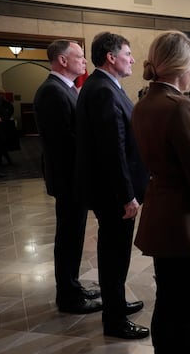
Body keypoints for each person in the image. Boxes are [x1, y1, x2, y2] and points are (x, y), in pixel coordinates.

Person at [131, 31, 190, 354]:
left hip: (160, 213)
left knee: (167, 303)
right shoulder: (179, 107)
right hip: (186, 222)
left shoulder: (144, 103)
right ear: (181, 66)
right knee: (186, 314)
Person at [75, 32, 149, 339]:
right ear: (110, 56)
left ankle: (115, 304)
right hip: (113, 192)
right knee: (114, 253)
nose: (132, 59)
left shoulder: (103, 86)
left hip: (109, 189)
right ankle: (114, 320)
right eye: (128, 53)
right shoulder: (103, 90)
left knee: (115, 252)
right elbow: (112, 148)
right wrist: (126, 194)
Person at [33, 39, 101, 314]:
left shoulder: (66, 89)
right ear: (63, 60)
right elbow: (64, 142)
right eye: (80, 57)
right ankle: (69, 296)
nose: (84, 61)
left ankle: (72, 285)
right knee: (68, 237)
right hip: (68, 178)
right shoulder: (52, 91)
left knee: (73, 236)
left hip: (73, 178)